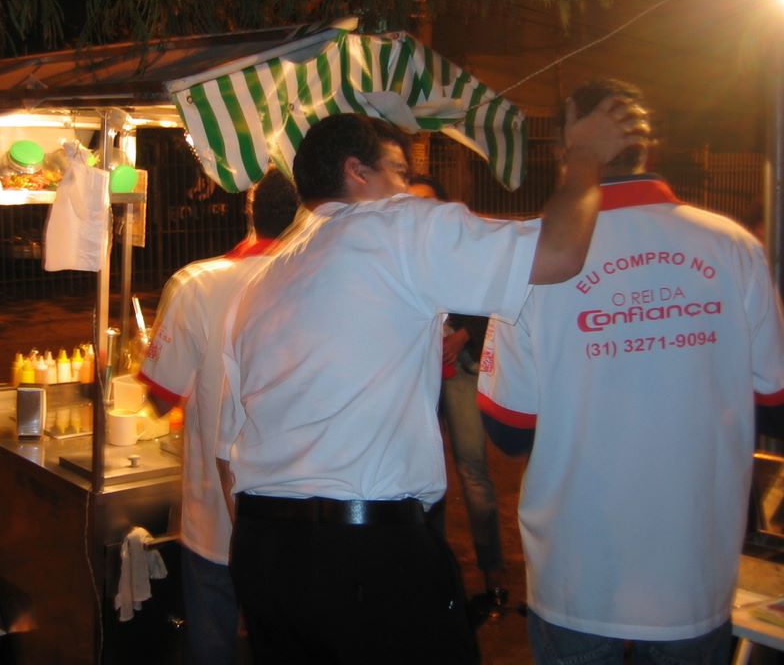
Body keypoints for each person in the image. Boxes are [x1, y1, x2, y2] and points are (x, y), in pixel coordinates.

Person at [216, 103, 647, 665]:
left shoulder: (262, 280)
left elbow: (229, 449)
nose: (409, 187)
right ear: (356, 172)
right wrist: (585, 156)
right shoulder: (395, 224)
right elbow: (560, 252)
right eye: (398, 171)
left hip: (263, 549)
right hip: (364, 553)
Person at [476, 78, 784, 665]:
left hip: (577, 575)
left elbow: (508, 429)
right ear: (649, 145)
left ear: (566, 145)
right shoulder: (734, 247)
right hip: (693, 573)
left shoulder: (532, 259)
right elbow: (775, 403)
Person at [137, 167, 300, 665]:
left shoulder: (198, 284)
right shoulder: (322, 284)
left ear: (248, 211)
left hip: (214, 514)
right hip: (296, 512)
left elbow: (161, 396)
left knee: (212, 638)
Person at [407, 174, 510, 622]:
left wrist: (464, 333)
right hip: (418, 374)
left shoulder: (463, 249)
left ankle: (494, 574)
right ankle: (435, 576)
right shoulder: (398, 252)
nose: (421, 212)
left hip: (461, 368)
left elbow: (492, 303)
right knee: (423, 476)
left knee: (473, 470)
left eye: (428, 203)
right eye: (412, 204)